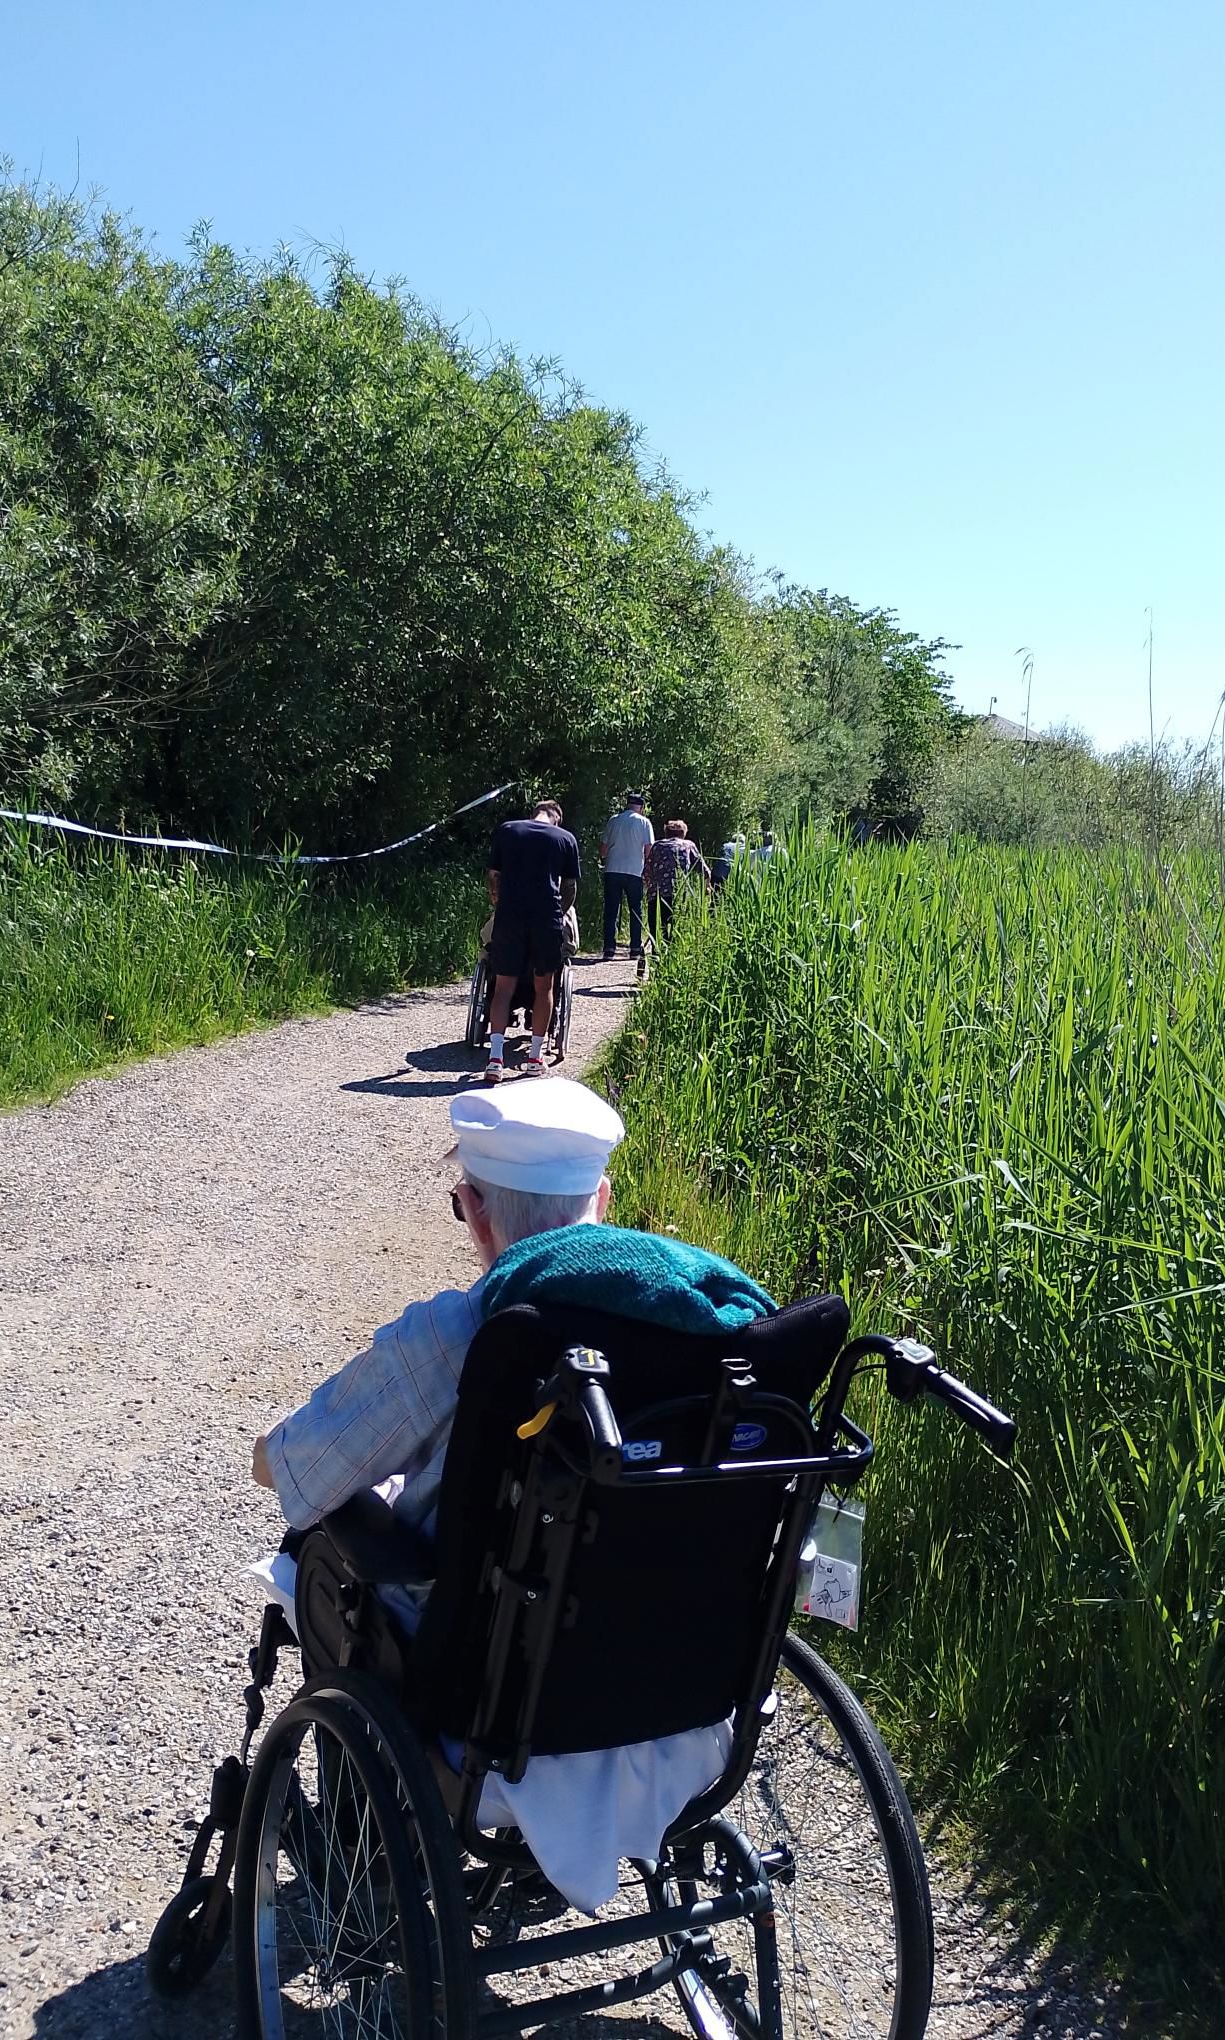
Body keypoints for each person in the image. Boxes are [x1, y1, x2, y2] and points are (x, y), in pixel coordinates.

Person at [251, 1078, 777, 1913]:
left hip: (494, 1715)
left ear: (475, 1212)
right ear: (603, 1200)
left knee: (320, 1557)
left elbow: (296, 1472)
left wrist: (274, 1453)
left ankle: (364, 1860)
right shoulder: (723, 1332)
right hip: (691, 1706)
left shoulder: (467, 1335)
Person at [482, 798, 579, 1084]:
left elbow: (494, 876)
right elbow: (569, 886)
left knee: (502, 988)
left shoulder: (508, 830)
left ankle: (495, 1059)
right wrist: (559, 913)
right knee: (544, 986)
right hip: (545, 918)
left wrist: (499, 903)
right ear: (557, 818)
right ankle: (535, 1058)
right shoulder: (565, 838)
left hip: (509, 916)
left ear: (533, 813)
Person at [598, 790, 654, 961]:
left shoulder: (614, 820)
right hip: (634, 871)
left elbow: (603, 849)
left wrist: (606, 858)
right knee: (635, 910)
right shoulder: (644, 823)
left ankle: (609, 949)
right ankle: (635, 948)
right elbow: (649, 849)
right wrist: (648, 869)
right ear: (641, 807)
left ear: (627, 805)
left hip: (612, 869)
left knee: (611, 910)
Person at [642, 818, 710, 951]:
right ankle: (674, 954)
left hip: (657, 895)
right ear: (683, 834)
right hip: (679, 895)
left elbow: (646, 872)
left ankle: (657, 955)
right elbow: (705, 871)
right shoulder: (688, 845)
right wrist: (707, 887)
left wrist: (649, 887)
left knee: (657, 929)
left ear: (666, 833)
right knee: (677, 930)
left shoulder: (657, 846)